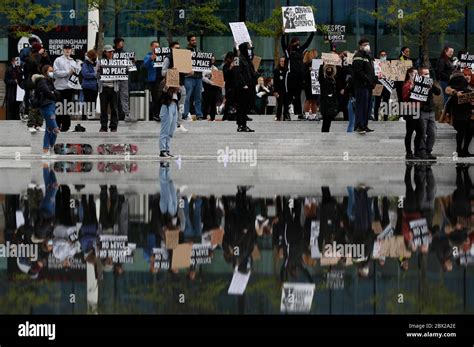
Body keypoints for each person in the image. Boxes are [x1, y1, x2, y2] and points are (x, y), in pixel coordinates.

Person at [281, 32, 315, 120]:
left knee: (298, 95)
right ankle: (286, 113)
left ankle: (299, 113)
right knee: (288, 95)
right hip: (290, 76)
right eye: (296, 42)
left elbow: (307, 43)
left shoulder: (301, 51)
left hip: (299, 77)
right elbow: (283, 44)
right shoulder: (288, 51)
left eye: (299, 42)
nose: (298, 44)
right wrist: (283, 35)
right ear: (292, 43)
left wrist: (312, 33)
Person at [445, 68, 473, 157]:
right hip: (462, 114)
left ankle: (463, 150)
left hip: (466, 115)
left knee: (467, 131)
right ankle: (460, 150)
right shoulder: (453, 91)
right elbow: (448, 92)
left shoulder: (467, 89)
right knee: (463, 132)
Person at [161, 41, 188, 133]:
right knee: (171, 105)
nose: (178, 50)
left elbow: (186, 70)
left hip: (181, 84)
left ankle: (178, 124)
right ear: (171, 49)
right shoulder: (168, 58)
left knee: (181, 105)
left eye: (179, 48)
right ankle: (172, 124)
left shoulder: (182, 58)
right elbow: (163, 72)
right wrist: (171, 70)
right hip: (172, 86)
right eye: (176, 48)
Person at [24, 42, 51, 132]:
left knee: (41, 103)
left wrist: (45, 56)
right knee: (34, 103)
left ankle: (38, 124)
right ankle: (31, 124)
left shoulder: (41, 57)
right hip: (32, 83)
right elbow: (33, 66)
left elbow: (48, 66)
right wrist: (39, 55)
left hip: (41, 82)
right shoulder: (29, 58)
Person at [34, 65, 60, 156]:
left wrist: (53, 93)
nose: (52, 72)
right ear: (45, 71)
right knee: (55, 128)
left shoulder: (50, 81)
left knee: (49, 129)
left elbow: (57, 92)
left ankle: (47, 149)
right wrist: (53, 94)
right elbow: (47, 91)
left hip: (52, 106)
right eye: (50, 71)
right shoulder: (42, 80)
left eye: (52, 71)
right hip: (46, 106)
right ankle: (51, 146)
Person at [352, 38, 376, 134]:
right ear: (360, 46)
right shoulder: (358, 56)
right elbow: (358, 71)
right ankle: (359, 126)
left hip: (368, 86)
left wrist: (373, 81)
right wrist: (367, 80)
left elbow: (371, 71)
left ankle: (364, 125)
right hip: (362, 85)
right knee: (361, 106)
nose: (367, 46)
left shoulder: (368, 56)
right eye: (365, 44)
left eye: (368, 44)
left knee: (367, 107)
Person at [418, 67, 441, 160]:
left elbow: (438, 92)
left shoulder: (431, 84)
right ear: (420, 75)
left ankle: (428, 151)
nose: (427, 75)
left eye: (428, 73)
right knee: (422, 133)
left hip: (430, 112)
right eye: (425, 74)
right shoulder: (417, 85)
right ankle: (422, 151)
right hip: (422, 112)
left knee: (433, 132)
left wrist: (433, 86)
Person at [233, 42, 256, 132]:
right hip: (242, 87)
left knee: (245, 106)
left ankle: (243, 124)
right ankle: (241, 125)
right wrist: (243, 84)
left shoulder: (247, 60)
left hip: (249, 86)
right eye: (248, 49)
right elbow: (237, 73)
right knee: (241, 107)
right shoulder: (238, 59)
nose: (249, 50)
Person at [402, 67, 424, 160]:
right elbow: (404, 98)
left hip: (417, 109)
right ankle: (409, 153)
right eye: (414, 73)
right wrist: (411, 90)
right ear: (410, 74)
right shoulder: (407, 85)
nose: (416, 75)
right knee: (410, 132)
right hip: (410, 110)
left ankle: (416, 151)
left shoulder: (417, 84)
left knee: (420, 131)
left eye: (417, 74)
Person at [97, 45, 119, 132]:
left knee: (114, 108)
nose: (111, 53)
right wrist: (99, 70)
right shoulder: (100, 62)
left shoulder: (117, 62)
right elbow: (96, 75)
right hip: (104, 88)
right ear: (105, 52)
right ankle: (103, 126)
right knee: (103, 108)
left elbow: (123, 72)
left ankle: (113, 126)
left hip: (114, 88)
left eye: (112, 52)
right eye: (109, 52)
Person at [158, 77, 181, 158]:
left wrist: (178, 91)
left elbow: (178, 98)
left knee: (171, 130)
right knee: (165, 130)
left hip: (174, 105)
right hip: (167, 106)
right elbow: (160, 98)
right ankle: (162, 150)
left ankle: (167, 150)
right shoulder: (164, 82)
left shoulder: (175, 83)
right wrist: (165, 89)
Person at [113, 37, 134, 122]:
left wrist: (132, 63)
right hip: (114, 77)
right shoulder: (112, 53)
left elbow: (130, 66)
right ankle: (116, 115)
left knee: (124, 96)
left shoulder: (125, 54)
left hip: (124, 77)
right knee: (115, 96)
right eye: (121, 42)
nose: (123, 44)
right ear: (117, 43)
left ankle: (126, 114)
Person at [183, 35, 203, 120]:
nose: (194, 41)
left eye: (195, 40)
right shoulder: (186, 51)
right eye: (192, 40)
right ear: (189, 41)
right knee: (187, 97)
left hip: (198, 77)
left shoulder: (199, 50)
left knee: (198, 97)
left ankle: (199, 114)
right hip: (189, 77)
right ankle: (185, 114)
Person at [143, 41, 163, 122]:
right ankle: (155, 114)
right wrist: (151, 59)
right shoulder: (148, 56)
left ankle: (162, 114)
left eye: (158, 46)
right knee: (155, 98)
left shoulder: (162, 56)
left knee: (162, 97)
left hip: (162, 79)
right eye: (155, 46)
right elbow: (145, 66)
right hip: (154, 80)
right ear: (151, 47)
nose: (157, 48)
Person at [319, 64, 338, 132]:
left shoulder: (334, 80)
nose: (329, 70)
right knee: (325, 120)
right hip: (325, 102)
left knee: (328, 120)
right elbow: (320, 75)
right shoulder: (323, 80)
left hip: (331, 103)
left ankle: (326, 132)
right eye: (327, 69)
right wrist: (322, 65)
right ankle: (324, 132)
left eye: (330, 69)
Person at [373, 50, 391, 121]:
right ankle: (376, 118)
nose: (383, 56)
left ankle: (386, 118)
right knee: (377, 103)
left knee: (386, 102)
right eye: (382, 55)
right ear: (379, 56)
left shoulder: (389, 64)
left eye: (384, 55)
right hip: (378, 85)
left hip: (387, 86)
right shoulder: (376, 63)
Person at [81, 49, 98, 121]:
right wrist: (95, 75)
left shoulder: (96, 63)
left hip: (95, 86)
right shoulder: (85, 64)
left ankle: (91, 115)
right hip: (87, 86)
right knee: (86, 101)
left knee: (93, 101)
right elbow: (85, 74)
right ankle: (84, 116)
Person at [202, 56, 220, 121]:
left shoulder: (215, 68)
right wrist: (209, 82)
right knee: (206, 102)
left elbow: (218, 77)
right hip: (207, 87)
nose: (212, 61)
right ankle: (204, 116)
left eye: (213, 60)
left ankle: (213, 117)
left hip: (214, 88)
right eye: (211, 59)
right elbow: (203, 77)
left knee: (213, 103)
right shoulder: (204, 68)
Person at [303, 49, 319, 121]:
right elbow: (303, 74)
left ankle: (313, 115)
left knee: (314, 100)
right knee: (308, 99)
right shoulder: (306, 64)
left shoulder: (317, 63)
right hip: (308, 83)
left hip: (315, 83)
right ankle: (307, 115)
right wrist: (309, 70)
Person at [273, 57, 288, 121]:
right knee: (280, 103)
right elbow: (275, 82)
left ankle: (285, 117)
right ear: (279, 62)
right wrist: (275, 91)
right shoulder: (276, 71)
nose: (282, 62)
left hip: (286, 90)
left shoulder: (287, 70)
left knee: (286, 104)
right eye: (281, 61)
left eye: (284, 61)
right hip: (279, 90)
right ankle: (278, 116)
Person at [223, 52, 236, 121]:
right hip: (229, 85)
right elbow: (225, 76)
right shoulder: (226, 66)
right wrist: (230, 68)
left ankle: (233, 115)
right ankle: (225, 116)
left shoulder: (235, 66)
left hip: (234, 85)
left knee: (234, 100)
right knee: (228, 101)